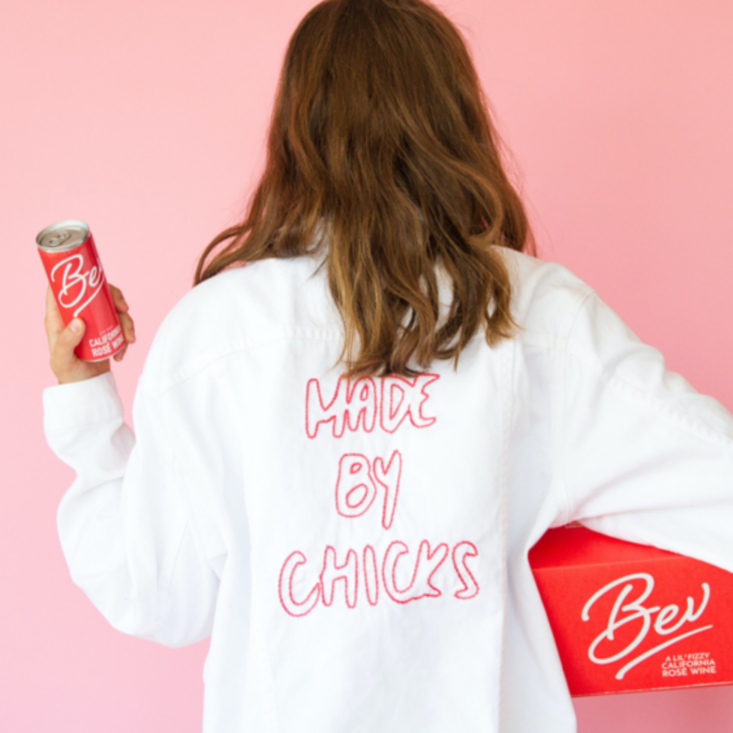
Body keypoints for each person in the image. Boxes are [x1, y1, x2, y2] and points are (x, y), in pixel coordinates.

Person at [42, 0, 733, 731]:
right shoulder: (536, 317)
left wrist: (85, 398)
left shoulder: (213, 334)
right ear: (456, 122)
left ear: (295, 130)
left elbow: (155, 594)